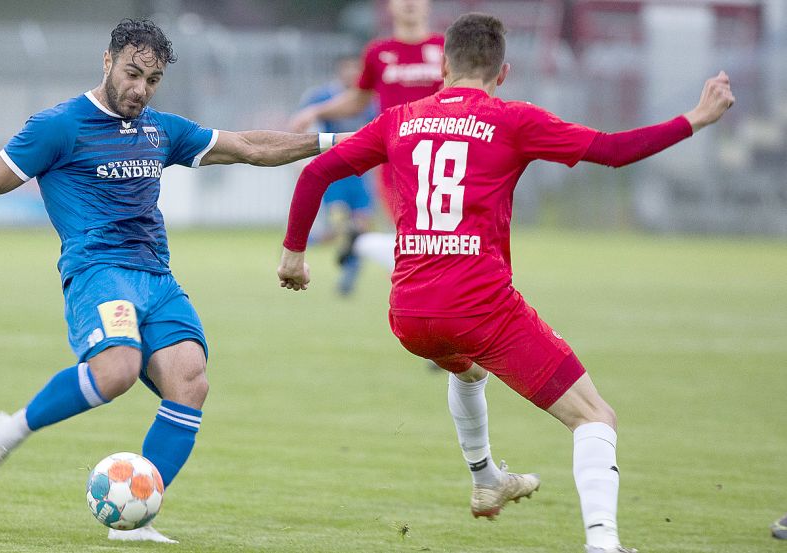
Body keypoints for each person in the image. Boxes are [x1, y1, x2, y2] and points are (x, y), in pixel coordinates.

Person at [277, 13, 734, 553]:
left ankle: (485, 478)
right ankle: (604, 544)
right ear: (503, 72)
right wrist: (697, 119)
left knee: (467, 371)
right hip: (479, 306)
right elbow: (613, 151)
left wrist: (294, 258)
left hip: (410, 312)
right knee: (595, 417)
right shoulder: (513, 119)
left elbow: (315, 173)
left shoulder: (400, 119)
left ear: (443, 65)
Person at [0, 18, 343, 544]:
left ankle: (135, 519)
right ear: (107, 62)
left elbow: (247, 145)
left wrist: (338, 140)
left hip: (157, 276)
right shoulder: (58, 126)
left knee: (191, 382)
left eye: (151, 81)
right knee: (117, 370)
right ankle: (3, 435)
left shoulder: (160, 129)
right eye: (132, 74)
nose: (139, 90)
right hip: (99, 273)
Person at [291, 0, 444, 277]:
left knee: (438, 240)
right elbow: (358, 99)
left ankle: (363, 243)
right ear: (389, 6)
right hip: (397, 162)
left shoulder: (446, 49)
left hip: (444, 159)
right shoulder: (379, 52)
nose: (410, 2)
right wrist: (315, 110)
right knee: (416, 237)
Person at [297, 54, 377, 295]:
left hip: (362, 175)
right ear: (339, 70)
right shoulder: (322, 98)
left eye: (356, 69)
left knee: (361, 227)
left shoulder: (370, 100)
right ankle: (302, 243)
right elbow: (305, 123)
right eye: (348, 68)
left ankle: (349, 275)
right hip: (335, 172)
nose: (352, 74)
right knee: (340, 225)